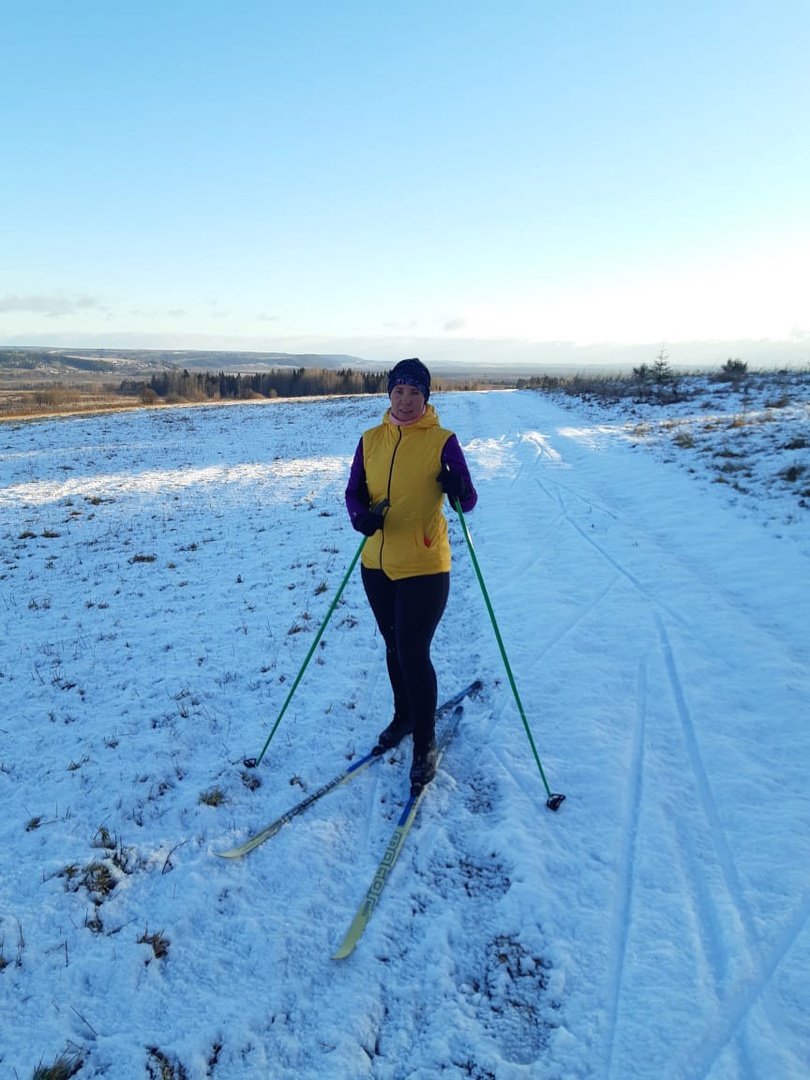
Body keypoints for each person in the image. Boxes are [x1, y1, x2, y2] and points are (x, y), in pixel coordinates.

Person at [345, 358, 477, 792]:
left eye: (414, 392)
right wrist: (361, 518)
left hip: (424, 567)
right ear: (389, 394)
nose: (405, 401)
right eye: (398, 391)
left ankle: (425, 742)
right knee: (393, 646)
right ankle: (403, 717)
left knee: (413, 652)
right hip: (376, 566)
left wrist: (458, 487)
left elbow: (468, 499)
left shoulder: (442, 441)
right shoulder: (370, 440)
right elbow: (354, 493)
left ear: (426, 397)